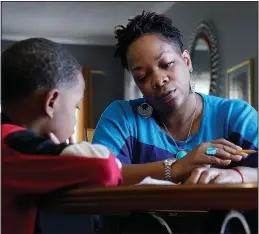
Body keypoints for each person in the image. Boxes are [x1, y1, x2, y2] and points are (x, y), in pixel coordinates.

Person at [91, 11, 258, 233]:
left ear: (187, 61)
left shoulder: (234, 116)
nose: (158, 80)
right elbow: (97, 175)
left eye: (167, 64)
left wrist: (235, 176)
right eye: (142, 77)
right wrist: (176, 168)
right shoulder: (121, 117)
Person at [2, 38, 122, 234]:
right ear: (51, 102)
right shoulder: (12, 145)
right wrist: (66, 151)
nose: (74, 120)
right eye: (75, 106)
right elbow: (105, 168)